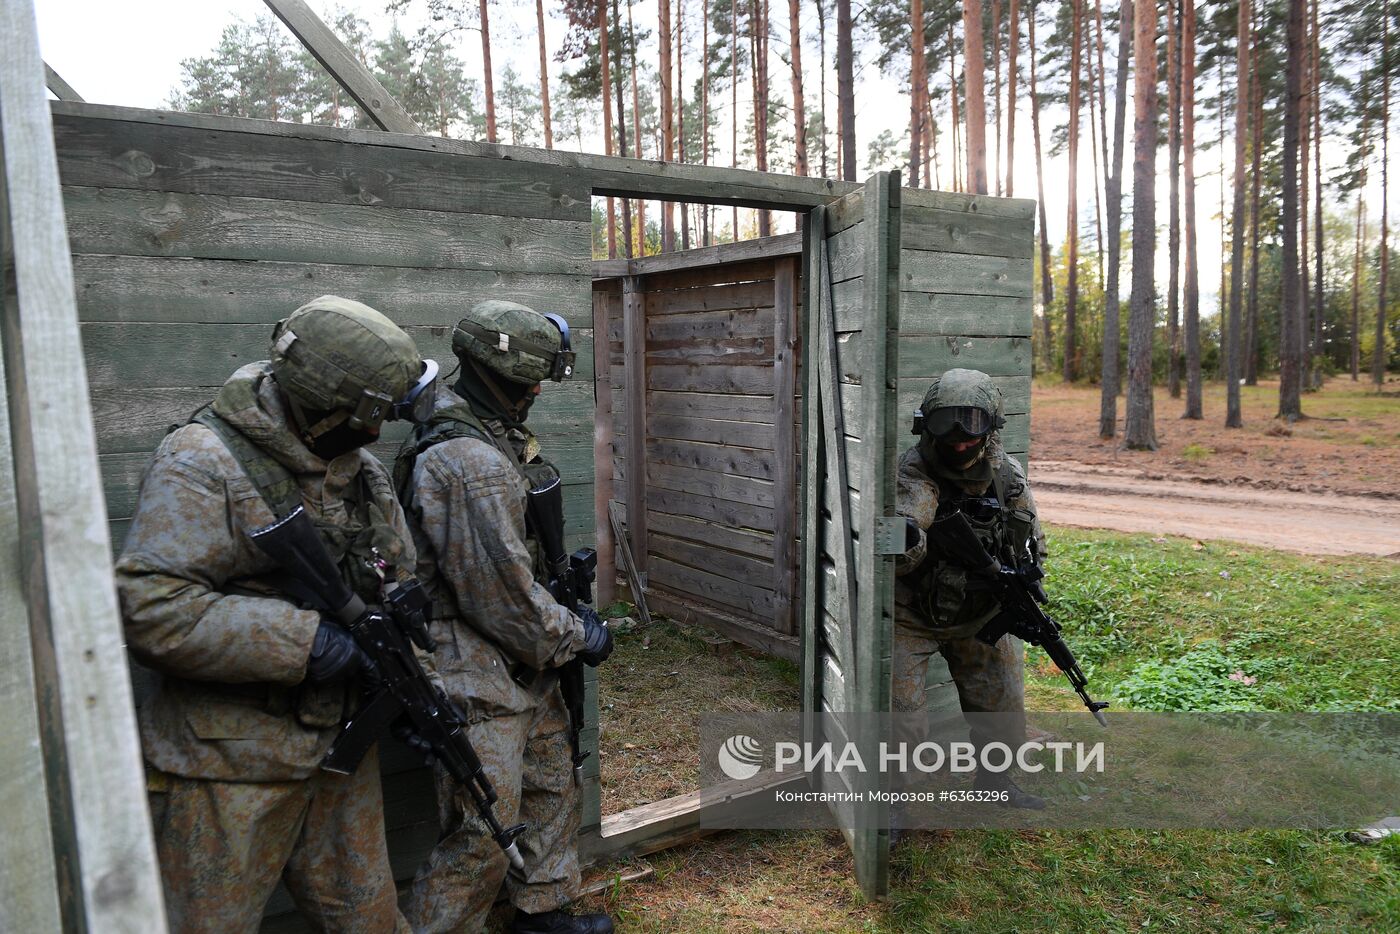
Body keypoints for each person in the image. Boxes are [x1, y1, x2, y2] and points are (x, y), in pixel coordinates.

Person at [116, 295, 436, 932]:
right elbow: (150, 606)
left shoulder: (362, 474)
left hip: (340, 751)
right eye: (366, 415)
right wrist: (307, 643)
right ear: (321, 403)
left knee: (371, 921)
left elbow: (397, 587)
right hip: (227, 766)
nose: (376, 433)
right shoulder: (204, 460)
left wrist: (409, 683)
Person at [398, 300, 615, 934]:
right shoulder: (469, 461)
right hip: (474, 668)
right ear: (493, 370)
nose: (540, 387)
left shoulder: (490, 430)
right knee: (480, 833)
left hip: (520, 663)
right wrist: (579, 634)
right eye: (530, 377)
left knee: (552, 783)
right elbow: (503, 600)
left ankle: (541, 915)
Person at [894, 368, 1048, 810]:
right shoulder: (911, 471)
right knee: (900, 722)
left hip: (980, 613)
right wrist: (903, 537)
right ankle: (894, 804)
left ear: (992, 425)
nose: (960, 439)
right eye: (947, 425)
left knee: (1002, 704)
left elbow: (1031, 537)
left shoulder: (1008, 476)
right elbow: (906, 525)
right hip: (912, 616)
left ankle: (993, 782)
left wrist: (1024, 580)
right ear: (927, 425)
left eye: (972, 425)